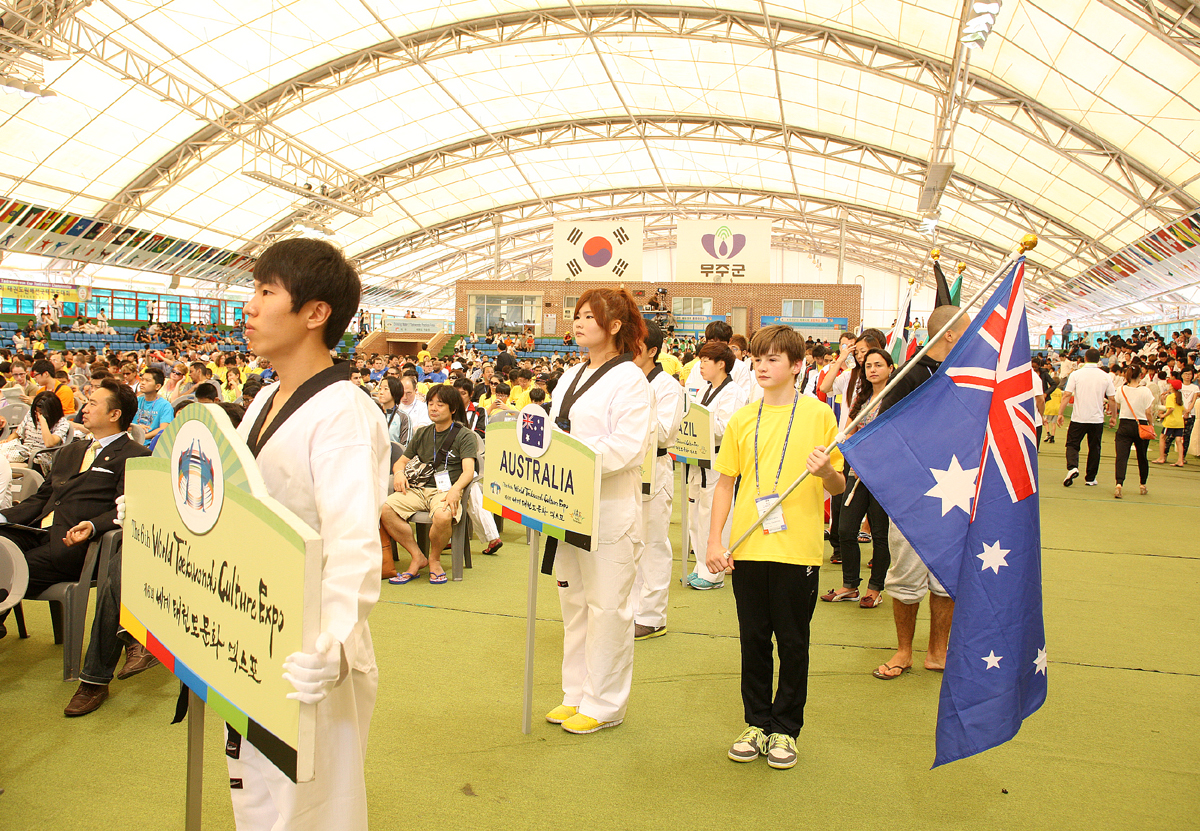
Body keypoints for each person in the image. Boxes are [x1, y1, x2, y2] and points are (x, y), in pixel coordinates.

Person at [232, 237, 390, 830]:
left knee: (312, 811)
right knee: (256, 794)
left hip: (313, 644)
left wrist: (333, 640)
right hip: (255, 621)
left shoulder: (343, 411)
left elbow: (353, 541)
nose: (250, 306)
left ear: (315, 313)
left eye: (266, 292)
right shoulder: (265, 398)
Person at [705, 325, 844, 769]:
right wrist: (714, 539)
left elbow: (838, 486)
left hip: (798, 551)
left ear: (797, 365)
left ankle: (785, 729)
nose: (762, 367)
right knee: (753, 642)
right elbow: (724, 484)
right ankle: (756, 723)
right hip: (748, 549)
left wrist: (826, 472)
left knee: (793, 643)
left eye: (773, 359)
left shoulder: (819, 416)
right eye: (757, 359)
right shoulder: (743, 419)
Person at [544, 288, 653, 734]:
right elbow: (555, 431)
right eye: (577, 315)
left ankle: (605, 703)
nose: (579, 322)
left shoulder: (630, 379)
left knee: (608, 608)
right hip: (566, 505)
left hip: (609, 507)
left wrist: (573, 459)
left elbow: (627, 447)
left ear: (614, 326)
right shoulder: (571, 374)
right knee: (575, 604)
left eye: (590, 316)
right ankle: (575, 693)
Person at [0, 379, 151, 697]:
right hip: (37, 533)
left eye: (94, 403)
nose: (85, 408)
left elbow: (128, 509)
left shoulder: (135, 455)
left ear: (115, 414)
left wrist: (93, 526)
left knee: (10, 567)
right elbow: (41, 500)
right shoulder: (71, 451)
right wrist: (4, 518)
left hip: (76, 546)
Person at [874, 305, 968, 680]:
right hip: (913, 496)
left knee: (947, 577)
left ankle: (938, 651)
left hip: (957, 490)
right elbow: (886, 430)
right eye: (966, 330)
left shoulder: (967, 373)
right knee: (906, 576)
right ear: (949, 334)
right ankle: (903, 651)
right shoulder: (910, 374)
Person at [381, 384, 479, 584]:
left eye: (440, 405)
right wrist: (398, 473)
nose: (433, 408)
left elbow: (468, 471)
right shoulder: (423, 433)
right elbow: (400, 462)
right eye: (431, 404)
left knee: (443, 516)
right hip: (418, 489)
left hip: (446, 490)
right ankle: (417, 556)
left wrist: (456, 490)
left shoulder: (465, 435)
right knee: (385, 509)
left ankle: (434, 559)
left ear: (453, 409)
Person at [821, 347, 894, 608]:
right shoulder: (861, 398)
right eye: (868, 366)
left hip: (884, 474)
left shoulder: (896, 398)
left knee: (880, 534)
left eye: (878, 365)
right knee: (845, 529)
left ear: (890, 368)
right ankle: (850, 585)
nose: (873, 370)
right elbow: (848, 431)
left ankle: (875, 589)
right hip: (857, 470)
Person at [631, 320, 685, 640]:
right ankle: (630, 610)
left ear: (652, 351)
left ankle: (652, 617)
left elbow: (664, 433)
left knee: (652, 544)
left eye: (635, 346)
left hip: (655, 466)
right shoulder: (626, 378)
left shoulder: (667, 386)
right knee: (629, 542)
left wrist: (637, 408)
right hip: (628, 468)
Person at [684, 341, 749, 590]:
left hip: (717, 460)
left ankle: (715, 573)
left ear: (721, 364)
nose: (700, 365)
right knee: (696, 516)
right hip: (697, 458)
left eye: (705, 361)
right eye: (700, 360)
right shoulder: (705, 390)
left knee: (715, 516)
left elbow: (724, 428)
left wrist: (697, 421)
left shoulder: (733, 392)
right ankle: (701, 566)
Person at [1062, 348, 1116, 487]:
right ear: (1099, 360)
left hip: (1078, 417)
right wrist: (1114, 416)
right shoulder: (1105, 376)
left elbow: (1067, 394)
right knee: (1094, 448)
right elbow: (1112, 398)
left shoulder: (1076, 374)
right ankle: (1090, 478)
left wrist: (1061, 413)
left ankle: (1073, 466)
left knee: (1072, 444)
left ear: (1085, 358)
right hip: (1096, 419)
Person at [1112, 365, 1153, 498]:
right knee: (1142, 456)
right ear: (1140, 375)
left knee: (1122, 456)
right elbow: (1148, 411)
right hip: (1141, 424)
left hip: (1125, 424)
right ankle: (1143, 484)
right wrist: (1151, 424)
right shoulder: (1145, 391)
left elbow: (1118, 405)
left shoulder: (1121, 389)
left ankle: (1119, 484)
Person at [0, 390, 71, 465]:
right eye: (36, 411)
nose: (37, 414)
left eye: (41, 412)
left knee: (3, 464)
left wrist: (43, 421)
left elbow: (49, 443)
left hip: (40, 457)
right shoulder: (31, 414)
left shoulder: (62, 423)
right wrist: (7, 441)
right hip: (24, 451)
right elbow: (17, 433)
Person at [132, 367, 175, 451]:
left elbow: (163, 428)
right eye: (142, 379)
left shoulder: (165, 405)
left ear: (157, 386)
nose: (142, 383)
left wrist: (143, 437)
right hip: (131, 439)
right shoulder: (136, 401)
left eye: (147, 380)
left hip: (150, 444)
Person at [1153, 382, 1186, 466]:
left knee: (1162, 437)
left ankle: (1161, 457)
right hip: (1179, 422)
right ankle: (1180, 460)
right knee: (1178, 441)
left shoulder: (1170, 397)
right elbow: (1184, 410)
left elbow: (1171, 408)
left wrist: (1164, 415)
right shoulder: (1179, 397)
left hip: (1171, 422)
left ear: (1172, 387)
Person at [374, 376, 413, 446]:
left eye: (386, 389)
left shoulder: (403, 417)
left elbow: (406, 446)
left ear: (395, 391)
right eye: (380, 389)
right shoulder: (374, 413)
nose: (381, 392)